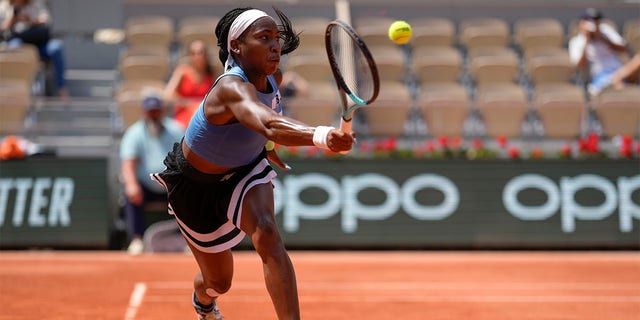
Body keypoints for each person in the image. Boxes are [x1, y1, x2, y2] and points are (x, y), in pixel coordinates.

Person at [149, 7, 354, 320]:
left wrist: (268, 147)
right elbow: (269, 122)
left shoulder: (274, 78)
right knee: (218, 282)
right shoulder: (230, 88)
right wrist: (323, 136)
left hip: (245, 171)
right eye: (264, 38)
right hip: (195, 186)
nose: (275, 45)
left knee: (268, 233)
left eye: (276, 38)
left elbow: (267, 122)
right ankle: (203, 300)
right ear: (236, 47)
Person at [120, 94, 185, 255]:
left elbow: (187, 159)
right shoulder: (134, 133)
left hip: (171, 185)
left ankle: (189, 241)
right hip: (146, 187)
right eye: (150, 111)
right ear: (143, 112)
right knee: (131, 193)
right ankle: (137, 239)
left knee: (192, 194)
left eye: (156, 111)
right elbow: (128, 164)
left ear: (162, 111)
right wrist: (131, 185)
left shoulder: (176, 129)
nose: (153, 115)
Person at [0, 0, 68, 97]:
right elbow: (3, 29)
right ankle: (15, 90)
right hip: (21, 43)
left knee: (56, 47)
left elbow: (45, 21)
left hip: (40, 43)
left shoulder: (37, 4)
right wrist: (14, 19)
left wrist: (29, 20)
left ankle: (61, 88)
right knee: (13, 47)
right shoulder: (5, 6)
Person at [568, 8, 628, 96]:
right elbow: (580, 66)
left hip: (622, 72)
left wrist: (601, 38)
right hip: (600, 76)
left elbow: (623, 49)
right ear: (582, 23)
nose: (594, 23)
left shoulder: (606, 31)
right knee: (618, 84)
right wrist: (587, 41)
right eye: (590, 21)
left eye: (596, 20)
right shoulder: (577, 41)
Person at [164, 40, 217, 129]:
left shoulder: (211, 75)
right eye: (193, 53)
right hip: (183, 117)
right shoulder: (182, 71)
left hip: (204, 116)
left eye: (200, 53)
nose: (197, 56)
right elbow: (167, 95)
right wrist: (188, 104)